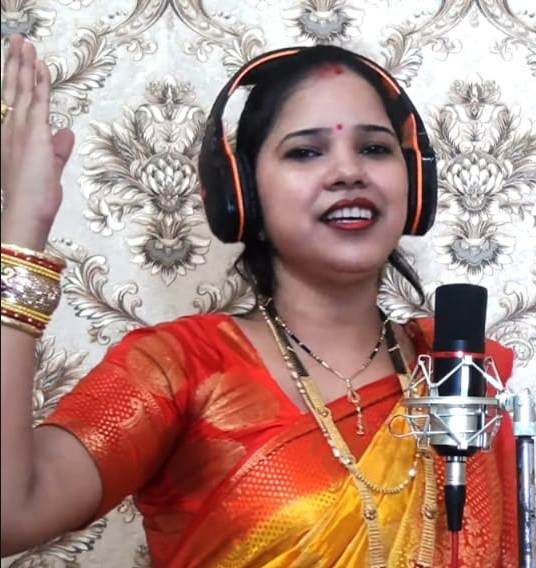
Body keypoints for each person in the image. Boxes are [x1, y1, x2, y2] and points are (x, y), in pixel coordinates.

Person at [1, 35, 518, 568]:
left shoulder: (461, 374)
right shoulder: (181, 370)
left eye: (375, 148)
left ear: (415, 185)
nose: (349, 172)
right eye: (306, 152)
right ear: (242, 193)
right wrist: (24, 227)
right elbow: (11, 514)